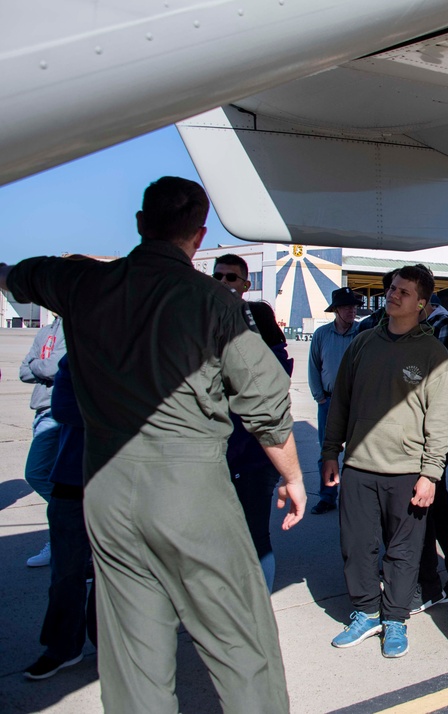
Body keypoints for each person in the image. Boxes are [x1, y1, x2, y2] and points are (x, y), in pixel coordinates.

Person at [0, 176, 306, 712]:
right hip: (188, 488)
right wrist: (293, 476)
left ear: (141, 223)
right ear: (199, 234)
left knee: (132, 653)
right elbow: (264, 400)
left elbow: (19, 277)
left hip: (108, 487)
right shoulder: (211, 301)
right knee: (240, 643)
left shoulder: (83, 283)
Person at [322, 265, 448, 659]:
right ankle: (365, 612)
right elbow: (340, 403)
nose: (393, 295)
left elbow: (439, 420)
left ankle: (395, 618)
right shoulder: (363, 343)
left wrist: (431, 473)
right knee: (357, 546)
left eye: (404, 291)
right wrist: (330, 451)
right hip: (359, 467)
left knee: (404, 551)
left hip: (407, 473)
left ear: (422, 303)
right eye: (393, 288)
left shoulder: (434, 355)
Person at [23, 355, 98, 680]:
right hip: (72, 479)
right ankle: (62, 647)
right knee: (65, 573)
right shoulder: (75, 361)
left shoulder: (140, 356)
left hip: (121, 482)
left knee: (115, 576)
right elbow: (66, 409)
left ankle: (110, 643)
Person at [227, 301, 295, 592]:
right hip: (259, 459)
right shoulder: (271, 358)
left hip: (250, 461)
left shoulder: (259, 362)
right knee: (252, 535)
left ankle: (258, 598)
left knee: (255, 537)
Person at [413, 276, 448, 613]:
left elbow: (432, 379)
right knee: (433, 505)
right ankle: (443, 575)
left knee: (433, 503)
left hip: (438, 425)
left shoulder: (442, 325)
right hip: (425, 426)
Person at [308, 286, 364, 514]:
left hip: (355, 402)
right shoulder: (321, 334)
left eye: (353, 306)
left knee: (356, 452)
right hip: (329, 402)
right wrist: (320, 397)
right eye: (346, 307)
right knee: (327, 451)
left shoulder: (362, 333)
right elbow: (314, 367)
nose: (351, 310)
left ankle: (353, 499)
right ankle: (327, 496)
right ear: (336, 310)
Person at [19, 314, 67, 567]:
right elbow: (23, 371)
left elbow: (53, 366)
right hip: (40, 411)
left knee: (37, 474)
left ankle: (74, 526)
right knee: (53, 480)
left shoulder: (74, 326)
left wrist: (40, 364)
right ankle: (63, 537)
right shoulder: (46, 331)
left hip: (57, 412)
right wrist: (42, 365)